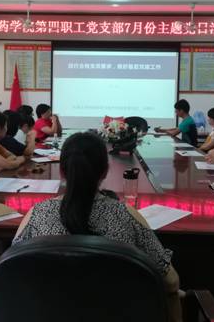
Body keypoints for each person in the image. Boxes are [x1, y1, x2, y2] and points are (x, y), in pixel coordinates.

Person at [13, 132, 182, 320]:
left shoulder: (37, 214)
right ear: (105, 171)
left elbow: (12, 271)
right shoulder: (125, 215)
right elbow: (171, 282)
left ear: (61, 171)